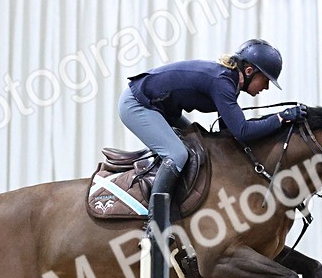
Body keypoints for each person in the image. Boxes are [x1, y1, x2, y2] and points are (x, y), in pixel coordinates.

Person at [118, 39, 306, 219]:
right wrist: (280, 118)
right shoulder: (222, 82)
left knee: (202, 145)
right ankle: (156, 220)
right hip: (137, 104)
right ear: (249, 71)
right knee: (177, 154)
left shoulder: (229, 82)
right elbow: (243, 131)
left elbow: (231, 133)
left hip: (163, 109)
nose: (266, 87)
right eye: (265, 80)